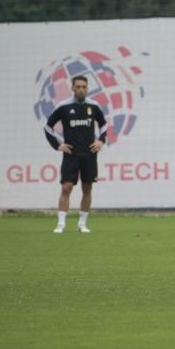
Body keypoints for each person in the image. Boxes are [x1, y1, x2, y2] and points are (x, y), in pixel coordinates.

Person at [44, 75, 107, 233]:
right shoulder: (64, 106)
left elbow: (104, 125)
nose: (81, 89)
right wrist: (58, 145)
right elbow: (47, 126)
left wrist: (101, 141)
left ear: (87, 88)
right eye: (77, 87)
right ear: (72, 88)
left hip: (89, 154)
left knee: (87, 188)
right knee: (66, 187)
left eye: (84, 87)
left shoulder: (93, 106)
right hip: (71, 154)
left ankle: (82, 224)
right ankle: (61, 224)